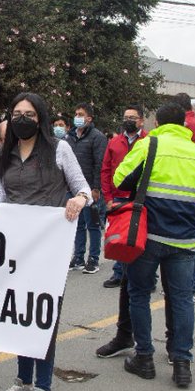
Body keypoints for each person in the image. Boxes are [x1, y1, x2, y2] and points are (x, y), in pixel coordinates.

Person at [0, 93, 90, 391]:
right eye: (17, 113)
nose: (22, 119)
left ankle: (43, 389)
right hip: (15, 250)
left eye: (29, 113)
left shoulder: (59, 150)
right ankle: (23, 382)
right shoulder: (1, 155)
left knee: (42, 317)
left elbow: (83, 188)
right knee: (18, 315)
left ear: (40, 118)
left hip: (50, 250)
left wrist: (79, 201)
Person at [113, 101, 195, 389]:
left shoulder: (150, 145)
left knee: (139, 294)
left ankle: (144, 358)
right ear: (185, 125)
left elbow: (119, 179)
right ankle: (181, 362)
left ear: (157, 123)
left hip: (147, 236)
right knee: (181, 299)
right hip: (184, 239)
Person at [99, 106, 147, 288]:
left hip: (139, 198)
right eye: (126, 117)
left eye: (132, 117)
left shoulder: (149, 141)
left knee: (139, 238)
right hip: (117, 199)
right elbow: (105, 171)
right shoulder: (114, 142)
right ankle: (119, 273)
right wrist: (108, 198)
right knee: (119, 238)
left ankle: (144, 277)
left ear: (141, 121)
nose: (128, 120)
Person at [66, 103, 107, 274]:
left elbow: (100, 164)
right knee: (78, 224)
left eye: (80, 114)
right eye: (75, 113)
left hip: (90, 188)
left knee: (93, 225)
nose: (77, 117)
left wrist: (96, 188)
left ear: (89, 118)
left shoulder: (97, 137)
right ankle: (78, 257)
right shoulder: (70, 137)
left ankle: (94, 259)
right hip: (73, 188)